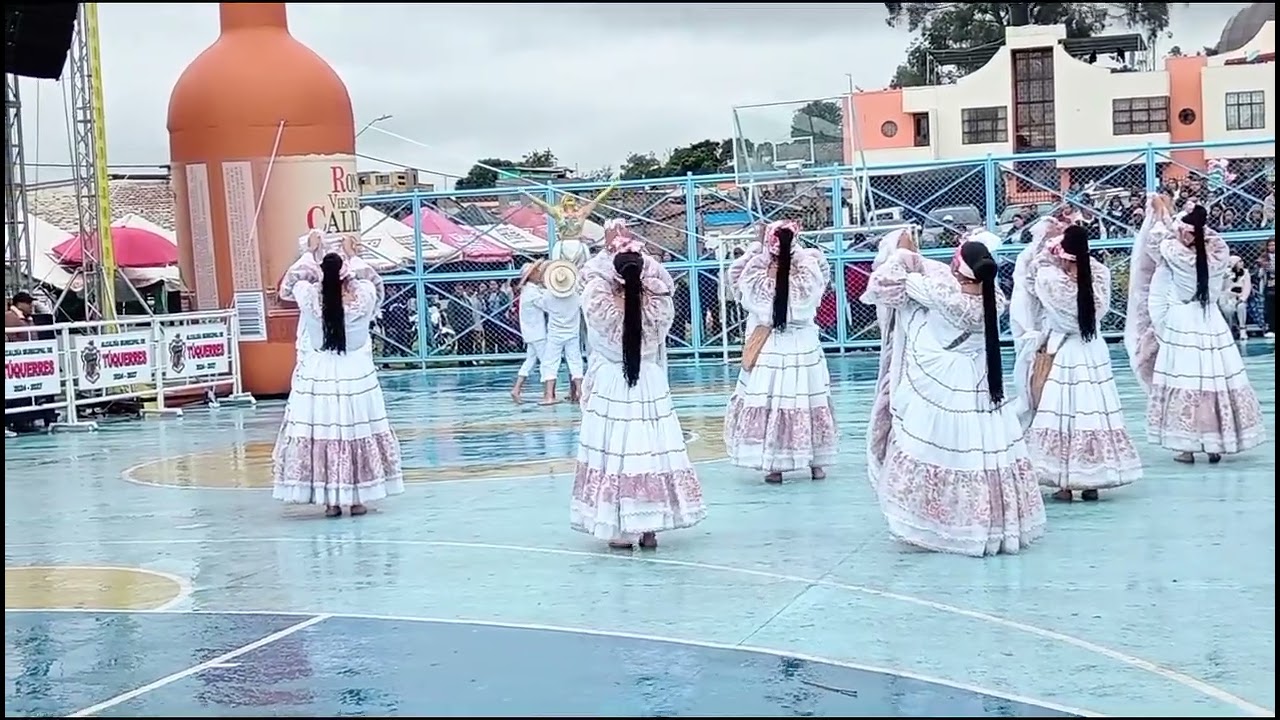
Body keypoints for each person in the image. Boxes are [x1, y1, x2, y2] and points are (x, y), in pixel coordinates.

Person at [862, 229, 1045, 557]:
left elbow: (890, 282)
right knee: (984, 453)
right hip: (981, 381)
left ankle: (939, 525)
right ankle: (989, 526)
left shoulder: (943, 295)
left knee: (939, 451)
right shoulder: (994, 297)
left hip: (944, 384)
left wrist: (904, 253)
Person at [570, 248, 705, 550]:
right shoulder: (658, 305)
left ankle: (619, 526)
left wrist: (610, 252)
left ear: (613, 275)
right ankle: (650, 528)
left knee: (614, 452)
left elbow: (587, 278)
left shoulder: (598, 303)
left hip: (612, 383)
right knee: (652, 449)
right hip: (648, 380)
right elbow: (661, 283)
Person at [1125, 196, 1265, 464]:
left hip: (1183, 319)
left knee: (1184, 379)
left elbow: (1157, 239)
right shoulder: (1219, 251)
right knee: (1215, 377)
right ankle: (1216, 443)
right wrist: (1197, 219)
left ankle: (1187, 447)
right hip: (1211, 319)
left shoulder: (1173, 251)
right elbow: (1207, 236)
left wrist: (1162, 211)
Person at [273, 235, 404, 517]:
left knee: (324, 430)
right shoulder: (363, 298)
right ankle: (357, 499)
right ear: (348, 276)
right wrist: (353, 256)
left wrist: (310, 254)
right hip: (356, 372)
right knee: (356, 429)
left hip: (319, 372)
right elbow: (377, 285)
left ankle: (331, 502)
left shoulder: (309, 298)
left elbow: (288, 285)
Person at [1011, 224, 1142, 501]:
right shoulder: (1100, 275)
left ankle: (1065, 484)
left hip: (1065, 350)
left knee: (1063, 415)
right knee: (1094, 411)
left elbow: (1033, 272)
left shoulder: (1050, 279)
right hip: (1093, 348)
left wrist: (1047, 241)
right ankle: (1093, 480)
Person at [722, 220, 838, 483]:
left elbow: (736, 282)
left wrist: (758, 248)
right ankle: (816, 464)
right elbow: (823, 283)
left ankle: (774, 465)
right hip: (804, 343)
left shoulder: (756, 269)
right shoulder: (809, 265)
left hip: (771, 343)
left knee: (771, 401)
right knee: (810, 399)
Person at [538, 262, 585, 405]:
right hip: (572, 333)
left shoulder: (547, 296)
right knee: (575, 361)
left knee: (550, 363)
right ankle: (580, 392)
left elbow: (543, 307)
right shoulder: (576, 296)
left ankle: (549, 395)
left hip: (555, 333)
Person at [510, 260, 547, 403]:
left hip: (531, 332)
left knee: (530, 360)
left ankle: (517, 389)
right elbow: (546, 305)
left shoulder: (529, 290)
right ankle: (547, 393)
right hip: (537, 332)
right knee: (546, 361)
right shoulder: (532, 292)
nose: (539, 274)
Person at [1220, 255, 1251, 340]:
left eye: (1242, 261)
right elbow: (1222, 289)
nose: (1242, 263)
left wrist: (1242, 298)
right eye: (1239, 262)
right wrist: (1225, 278)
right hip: (1228, 298)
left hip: (1240, 297)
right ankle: (1231, 328)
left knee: (1241, 307)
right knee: (1227, 310)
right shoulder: (1226, 273)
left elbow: (1247, 288)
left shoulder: (1245, 273)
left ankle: (1242, 329)